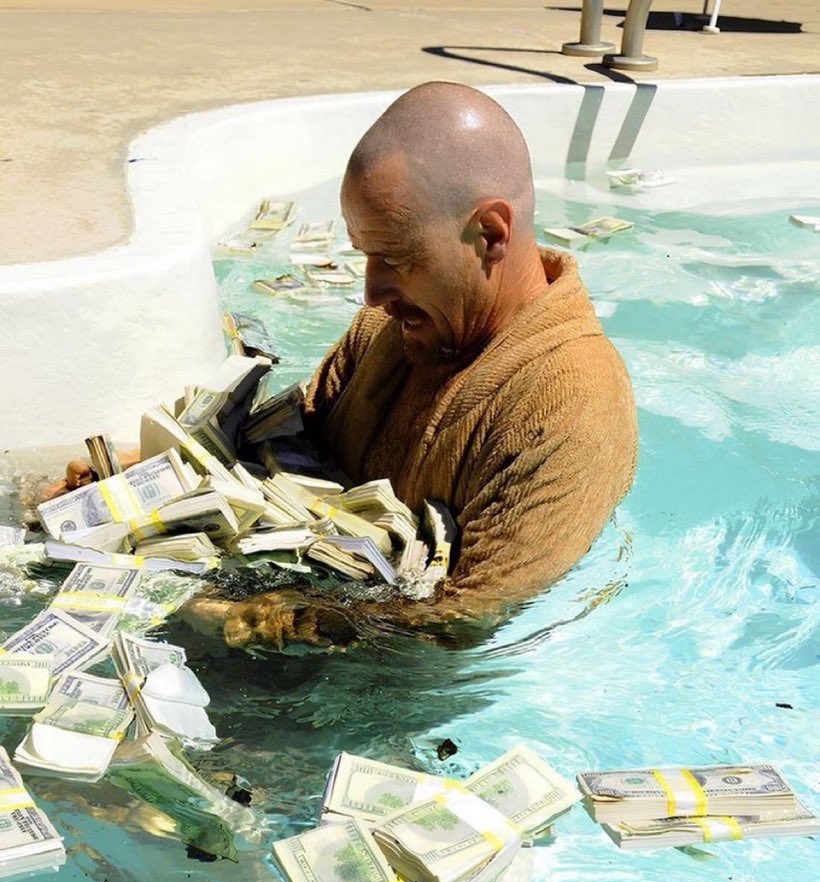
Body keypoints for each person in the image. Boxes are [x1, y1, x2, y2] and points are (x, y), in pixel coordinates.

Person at [54, 81, 639, 649]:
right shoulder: (388, 330)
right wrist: (143, 478)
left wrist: (244, 619)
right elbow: (285, 444)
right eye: (364, 255)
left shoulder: (572, 407)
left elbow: (464, 620)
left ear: (489, 233)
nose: (371, 294)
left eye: (396, 257)